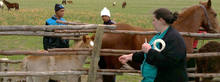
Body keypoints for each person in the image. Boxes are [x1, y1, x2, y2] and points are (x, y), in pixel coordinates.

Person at [118, 8, 188, 82]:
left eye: (154, 20)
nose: (152, 23)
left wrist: (149, 51)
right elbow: (148, 54)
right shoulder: (159, 36)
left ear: (161, 20)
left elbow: (169, 62)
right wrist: (131, 57)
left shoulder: (174, 38)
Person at [43, 4, 69, 82]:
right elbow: (46, 37)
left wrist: (66, 45)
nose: (63, 12)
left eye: (64, 11)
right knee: (52, 68)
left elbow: (67, 36)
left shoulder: (64, 21)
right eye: (61, 11)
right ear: (56, 11)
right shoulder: (49, 22)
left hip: (63, 48)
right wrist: (46, 48)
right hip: (52, 48)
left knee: (61, 68)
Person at [99, 7, 116, 82]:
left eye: (105, 16)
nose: (104, 18)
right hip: (104, 48)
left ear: (109, 16)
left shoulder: (112, 25)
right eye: (102, 16)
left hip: (111, 48)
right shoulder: (103, 25)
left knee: (111, 67)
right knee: (103, 65)